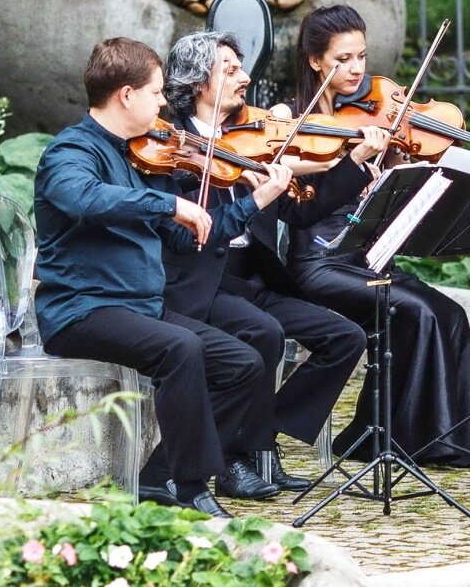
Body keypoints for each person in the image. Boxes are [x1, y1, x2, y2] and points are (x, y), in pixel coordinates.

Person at [34, 37, 295, 518]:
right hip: (81, 309)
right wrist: (171, 203)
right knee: (182, 348)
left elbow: (183, 241)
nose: (163, 104)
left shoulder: (144, 157)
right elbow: (86, 200)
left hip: (139, 307)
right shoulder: (70, 152)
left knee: (244, 363)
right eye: (156, 93)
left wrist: (253, 202)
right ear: (126, 96)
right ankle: (190, 487)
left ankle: (158, 476)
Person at [160, 30, 391, 490]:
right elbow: (186, 231)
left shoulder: (251, 138)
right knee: (263, 333)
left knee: (344, 337)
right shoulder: (172, 148)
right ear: (196, 84)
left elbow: (300, 209)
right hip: (204, 283)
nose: (245, 78)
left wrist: (356, 162)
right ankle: (229, 459)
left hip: (254, 278)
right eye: (230, 70)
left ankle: (262, 437)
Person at [271, 4, 470, 466]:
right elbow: (289, 191)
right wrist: (349, 164)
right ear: (315, 61)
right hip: (318, 263)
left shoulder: (376, 120)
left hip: (368, 259)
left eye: (361, 57)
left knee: (449, 313)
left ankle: (438, 440)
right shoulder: (288, 117)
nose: (356, 69)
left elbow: (403, 193)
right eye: (342, 59)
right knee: (416, 313)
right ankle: (386, 439)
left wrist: (462, 156)